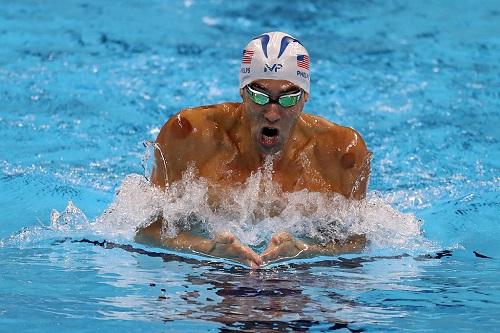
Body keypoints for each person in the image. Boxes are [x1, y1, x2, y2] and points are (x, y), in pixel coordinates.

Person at [136, 32, 371, 268]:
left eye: (288, 99)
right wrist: (207, 249)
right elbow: (146, 232)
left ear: (305, 96)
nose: (271, 113)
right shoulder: (190, 137)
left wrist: (305, 250)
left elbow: (356, 243)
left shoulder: (342, 154)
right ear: (243, 91)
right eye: (259, 96)